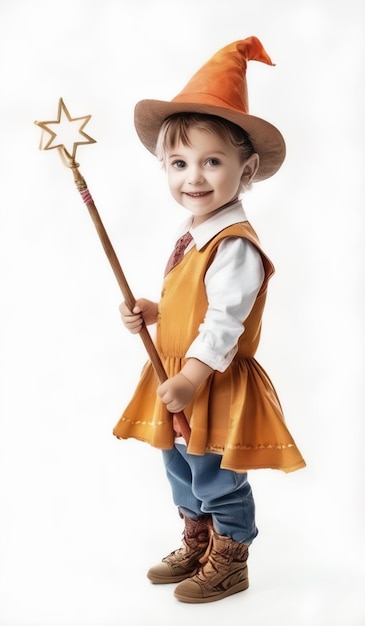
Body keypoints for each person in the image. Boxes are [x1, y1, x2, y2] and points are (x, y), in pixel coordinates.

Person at [114, 37, 306, 604]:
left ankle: (231, 556)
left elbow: (223, 321)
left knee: (214, 471)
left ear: (246, 170)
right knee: (179, 466)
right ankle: (197, 537)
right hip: (177, 376)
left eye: (211, 161)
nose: (192, 177)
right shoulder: (193, 237)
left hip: (210, 381)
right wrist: (154, 311)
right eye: (178, 163)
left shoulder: (235, 245)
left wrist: (192, 377)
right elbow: (190, 304)